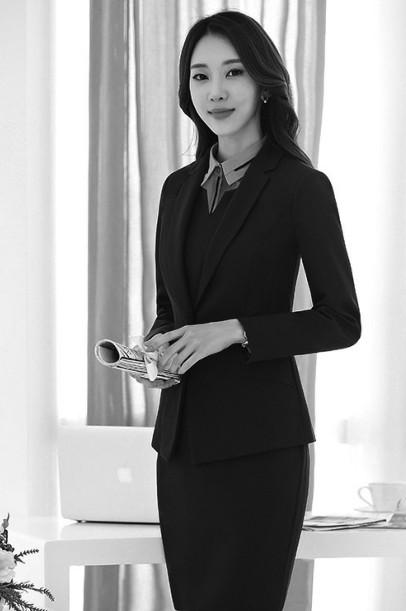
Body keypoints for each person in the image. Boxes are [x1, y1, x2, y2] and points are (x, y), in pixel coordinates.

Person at [130, 9, 361, 611]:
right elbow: (170, 307)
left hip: (260, 449)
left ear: (263, 83)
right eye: (200, 76)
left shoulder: (301, 187)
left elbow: (341, 320)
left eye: (233, 72)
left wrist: (233, 331)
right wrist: (158, 352)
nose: (216, 91)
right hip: (181, 449)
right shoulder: (177, 189)